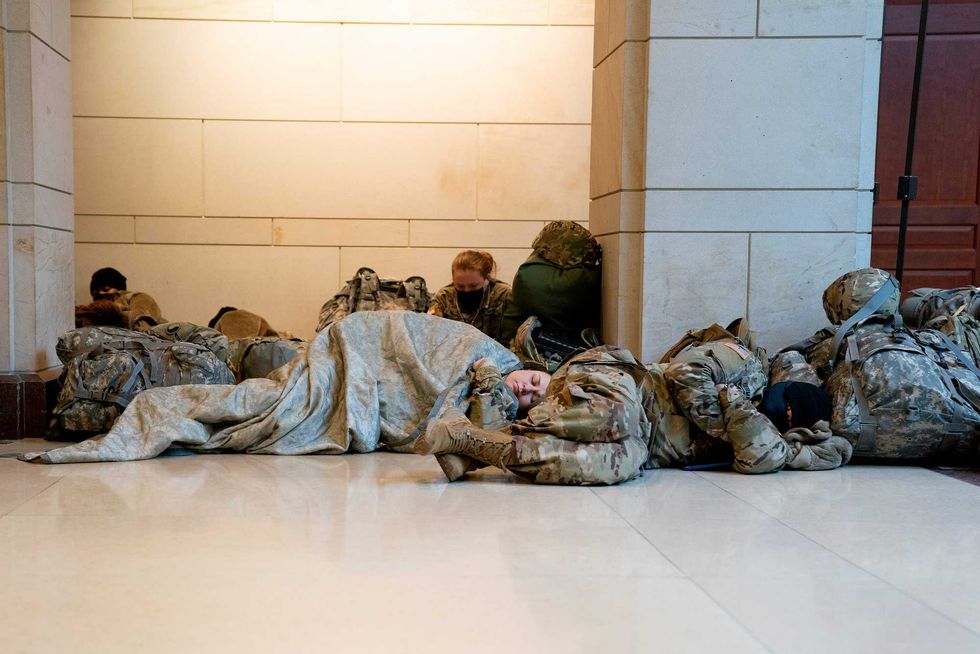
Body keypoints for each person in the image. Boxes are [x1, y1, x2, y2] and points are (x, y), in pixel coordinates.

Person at [22, 312, 532, 464]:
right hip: (342, 352)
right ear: (529, 366)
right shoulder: (485, 350)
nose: (527, 389)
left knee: (255, 397)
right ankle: (158, 381)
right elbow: (413, 337)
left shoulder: (493, 397)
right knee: (260, 389)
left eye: (532, 394)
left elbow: (441, 413)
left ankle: (164, 394)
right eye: (533, 380)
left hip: (326, 363)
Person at [414, 340, 853, 485]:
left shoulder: (761, 425)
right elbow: (684, 371)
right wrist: (735, 418)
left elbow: (760, 458)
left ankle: (471, 447)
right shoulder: (744, 366)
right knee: (618, 420)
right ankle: (496, 433)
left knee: (617, 466)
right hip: (619, 379)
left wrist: (736, 412)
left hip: (644, 440)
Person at [428, 251, 511, 342]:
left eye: (473, 286)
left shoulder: (504, 296)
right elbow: (431, 333)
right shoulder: (444, 297)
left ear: (487, 279)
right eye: (460, 286)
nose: (466, 290)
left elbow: (513, 338)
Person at [88, 267, 164, 331]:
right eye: (95, 292)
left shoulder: (137, 297)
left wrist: (114, 311)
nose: (100, 293)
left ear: (119, 289)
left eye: (106, 289)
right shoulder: (93, 311)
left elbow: (142, 323)